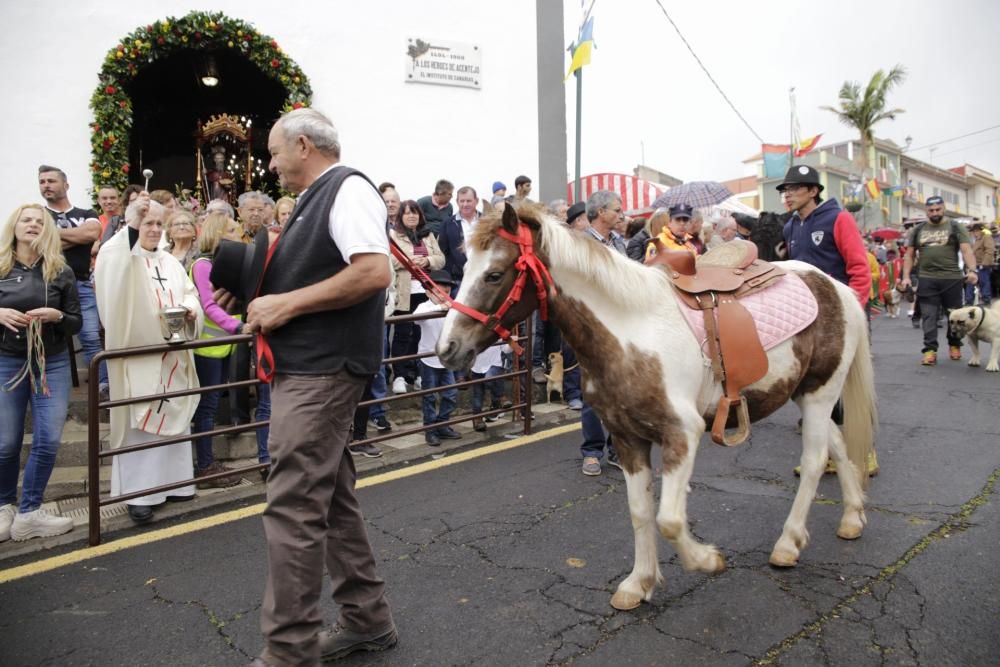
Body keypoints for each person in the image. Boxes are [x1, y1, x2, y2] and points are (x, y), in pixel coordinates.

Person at [245, 107, 396, 666]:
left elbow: (372, 272)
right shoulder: (325, 195)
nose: (270, 162)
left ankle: (288, 651)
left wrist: (285, 302)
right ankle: (367, 620)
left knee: (293, 507)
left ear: (303, 144)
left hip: (321, 371)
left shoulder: (346, 189)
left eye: (273, 151)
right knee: (328, 499)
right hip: (314, 368)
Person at [94, 193, 204, 524]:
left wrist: (189, 310)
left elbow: (190, 294)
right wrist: (129, 222)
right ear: (134, 225)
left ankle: (175, 484)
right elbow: (110, 277)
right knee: (142, 426)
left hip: (173, 357)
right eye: (147, 223)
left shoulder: (170, 262)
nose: (154, 229)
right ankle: (140, 495)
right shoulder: (121, 256)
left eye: (159, 223)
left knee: (173, 419)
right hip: (138, 357)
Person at [778, 165, 878, 476]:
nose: (787, 194)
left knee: (849, 389)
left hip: (843, 320)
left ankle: (864, 454)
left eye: (795, 188)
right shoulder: (790, 226)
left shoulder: (838, 218)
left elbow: (860, 270)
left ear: (813, 191)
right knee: (815, 390)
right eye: (785, 189)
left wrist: (854, 315)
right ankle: (823, 455)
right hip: (807, 321)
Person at [0, 204, 81, 542]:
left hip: (53, 362)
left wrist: (57, 317)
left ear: (47, 229)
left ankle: (30, 511)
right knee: (5, 443)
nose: (32, 225)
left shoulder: (60, 270)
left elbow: (76, 320)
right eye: (26, 220)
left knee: (48, 439)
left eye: (39, 221)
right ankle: (5, 505)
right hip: (7, 360)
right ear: (14, 226)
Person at [188, 212, 246, 488]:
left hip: (224, 346)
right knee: (207, 408)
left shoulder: (226, 262)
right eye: (233, 229)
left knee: (210, 406)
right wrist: (239, 328)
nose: (239, 233)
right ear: (219, 233)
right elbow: (209, 305)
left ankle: (206, 462)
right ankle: (205, 465)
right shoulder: (203, 264)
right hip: (206, 349)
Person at [38, 165, 107, 399]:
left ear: (66, 185)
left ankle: (102, 387)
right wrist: (75, 237)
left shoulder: (86, 212)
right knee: (43, 335)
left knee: (90, 336)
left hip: (82, 284)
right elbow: (38, 244)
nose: (45, 185)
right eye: (42, 182)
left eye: (51, 181)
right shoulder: (38, 215)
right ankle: (43, 388)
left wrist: (52, 236)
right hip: (46, 285)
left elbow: (91, 235)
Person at [575, 190, 625, 475]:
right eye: (617, 210)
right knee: (593, 392)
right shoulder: (581, 244)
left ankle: (616, 447)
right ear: (601, 212)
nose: (621, 215)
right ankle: (592, 451)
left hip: (621, 327)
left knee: (620, 391)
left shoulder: (619, 243)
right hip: (592, 328)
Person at [898, 196, 978, 365]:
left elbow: (967, 250)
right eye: (931, 210)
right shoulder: (918, 230)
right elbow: (909, 255)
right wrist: (905, 277)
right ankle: (929, 350)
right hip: (927, 279)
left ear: (944, 208)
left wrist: (972, 270)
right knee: (929, 316)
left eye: (938, 209)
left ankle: (955, 344)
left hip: (952, 279)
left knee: (954, 316)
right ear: (926, 211)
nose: (935, 213)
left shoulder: (955, 227)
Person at [389, 200, 445, 394]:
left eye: (415, 213)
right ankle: (399, 376)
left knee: (421, 335)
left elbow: (441, 259)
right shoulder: (394, 235)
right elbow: (388, 260)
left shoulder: (428, 235)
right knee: (403, 334)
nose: (411, 216)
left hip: (425, 291)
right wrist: (408, 262)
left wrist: (427, 260)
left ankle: (418, 374)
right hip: (404, 292)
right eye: (407, 213)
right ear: (401, 217)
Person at [413, 270, 461, 446]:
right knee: (430, 396)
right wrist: (440, 308)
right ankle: (430, 429)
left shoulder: (453, 307)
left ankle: (442, 423)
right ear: (428, 292)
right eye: (439, 292)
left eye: (446, 293)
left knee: (451, 394)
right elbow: (416, 318)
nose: (443, 296)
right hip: (428, 359)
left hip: (446, 358)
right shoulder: (424, 307)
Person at [438, 186, 479, 293]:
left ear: (476, 201)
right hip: (458, 281)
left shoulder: (487, 222)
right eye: (462, 201)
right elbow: (442, 253)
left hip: (482, 279)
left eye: (469, 201)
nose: (465, 204)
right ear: (457, 202)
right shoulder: (447, 224)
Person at [967, 222, 994, 305]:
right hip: (973, 265)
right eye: (973, 231)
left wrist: (984, 263)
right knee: (970, 282)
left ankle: (986, 299)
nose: (975, 233)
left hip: (982, 264)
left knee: (984, 282)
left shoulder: (986, 237)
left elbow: (989, 250)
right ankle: (969, 300)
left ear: (980, 231)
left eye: (976, 231)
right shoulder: (971, 240)